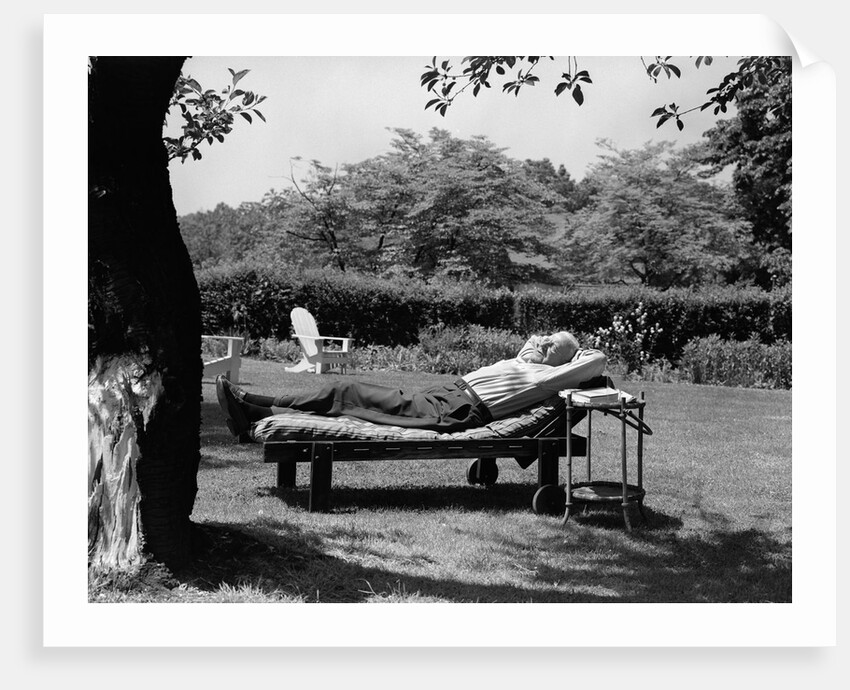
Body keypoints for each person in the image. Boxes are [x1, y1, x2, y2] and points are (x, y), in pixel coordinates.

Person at [216, 330, 606, 439]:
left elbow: (598, 360)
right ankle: (254, 411)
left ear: (568, 360)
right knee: (348, 395)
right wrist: (547, 345)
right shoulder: (528, 361)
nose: (541, 342)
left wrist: (577, 353)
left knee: (346, 393)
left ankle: (253, 404)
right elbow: (529, 347)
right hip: (444, 394)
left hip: (455, 411)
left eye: (552, 343)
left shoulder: (548, 379)